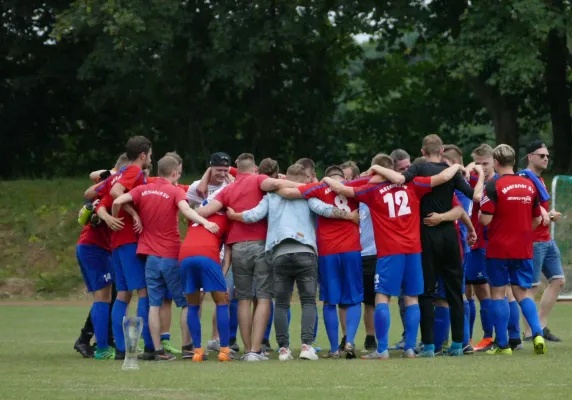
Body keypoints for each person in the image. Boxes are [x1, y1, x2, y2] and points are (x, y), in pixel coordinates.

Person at [323, 155, 467, 359]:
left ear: (376, 171)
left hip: (390, 251)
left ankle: (381, 350)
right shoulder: (413, 184)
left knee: (382, 296)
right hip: (414, 250)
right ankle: (408, 348)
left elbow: (343, 190)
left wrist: (326, 180)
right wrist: (458, 166)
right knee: (412, 297)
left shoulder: (371, 190)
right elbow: (442, 177)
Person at [227, 163, 356, 360]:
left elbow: (254, 215)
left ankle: (284, 348)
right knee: (307, 301)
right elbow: (326, 210)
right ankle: (306, 346)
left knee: (281, 303)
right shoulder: (308, 195)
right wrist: (350, 216)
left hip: (279, 253)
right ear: (305, 179)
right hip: (305, 251)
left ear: (285, 177)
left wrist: (234, 215)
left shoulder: (271, 196)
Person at [112, 155, 218, 361]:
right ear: (175, 173)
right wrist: (205, 223)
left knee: (154, 304)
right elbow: (187, 210)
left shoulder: (143, 189)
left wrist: (122, 218)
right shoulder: (175, 190)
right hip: (170, 254)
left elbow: (117, 199)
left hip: (150, 257)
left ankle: (158, 351)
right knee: (186, 303)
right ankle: (188, 347)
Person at [197, 153, 300, 361]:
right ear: (254, 169)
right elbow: (280, 184)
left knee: (242, 299)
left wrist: (191, 209)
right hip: (260, 245)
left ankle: (246, 350)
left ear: (239, 169)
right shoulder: (259, 179)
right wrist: (302, 183)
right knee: (262, 297)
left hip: (237, 248)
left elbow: (204, 211)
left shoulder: (228, 189)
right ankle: (255, 349)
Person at [402, 134, 484, 357]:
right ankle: (458, 344)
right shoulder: (454, 174)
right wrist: (482, 174)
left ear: (422, 152)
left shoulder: (418, 169)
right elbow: (475, 197)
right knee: (455, 290)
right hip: (449, 235)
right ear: (441, 151)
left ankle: (428, 345)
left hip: (426, 233)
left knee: (427, 292)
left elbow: (401, 181)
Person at [276, 165, 367, 359]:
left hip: (328, 251)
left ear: (327, 177)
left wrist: (275, 181)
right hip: (352, 248)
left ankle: (334, 349)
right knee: (354, 299)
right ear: (342, 177)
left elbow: (287, 193)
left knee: (329, 301)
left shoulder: (318, 188)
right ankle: (349, 340)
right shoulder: (354, 186)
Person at [479, 144, 546, 355]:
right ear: (514, 161)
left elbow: (485, 220)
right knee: (523, 293)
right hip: (523, 248)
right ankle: (537, 334)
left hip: (499, 248)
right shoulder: (529, 185)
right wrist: (523, 231)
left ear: (496, 162)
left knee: (498, 293)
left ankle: (503, 345)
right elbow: (537, 218)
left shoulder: (492, 186)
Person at [94, 136, 154, 360]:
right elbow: (117, 193)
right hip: (130, 240)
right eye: (150, 155)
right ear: (142, 155)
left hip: (117, 243)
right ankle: (148, 345)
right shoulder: (133, 172)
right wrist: (134, 212)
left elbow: (98, 200)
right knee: (143, 292)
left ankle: (121, 348)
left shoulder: (116, 174)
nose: (150, 158)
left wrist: (107, 217)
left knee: (123, 294)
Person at [519, 140, 564, 342]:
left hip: (546, 238)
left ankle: (541, 325)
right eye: (541, 155)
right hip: (534, 240)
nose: (546, 158)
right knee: (531, 287)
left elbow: (540, 209)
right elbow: (523, 210)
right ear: (530, 157)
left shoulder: (540, 180)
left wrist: (549, 213)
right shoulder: (524, 180)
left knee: (558, 280)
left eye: (547, 155)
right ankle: (529, 332)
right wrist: (545, 214)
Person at [179, 200, 233, 362]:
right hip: (207, 255)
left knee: (193, 305)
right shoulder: (227, 218)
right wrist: (222, 278)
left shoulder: (196, 216)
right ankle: (224, 350)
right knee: (222, 302)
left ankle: (197, 352)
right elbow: (228, 254)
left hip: (185, 255)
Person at [463, 144, 499, 352]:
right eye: (479, 163)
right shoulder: (475, 178)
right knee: (467, 290)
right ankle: (466, 338)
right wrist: (470, 168)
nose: (482, 167)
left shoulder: (495, 183)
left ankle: (488, 336)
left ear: (494, 162)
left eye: (485, 163)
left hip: (485, 243)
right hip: (471, 241)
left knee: (484, 289)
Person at [75, 211, 115, 359]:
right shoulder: (112, 193)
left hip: (104, 248)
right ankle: (99, 345)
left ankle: (104, 341)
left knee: (112, 295)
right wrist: (104, 217)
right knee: (103, 297)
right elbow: (94, 199)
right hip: (95, 248)